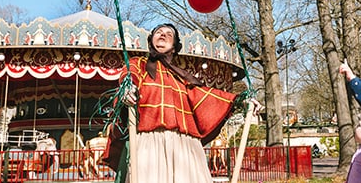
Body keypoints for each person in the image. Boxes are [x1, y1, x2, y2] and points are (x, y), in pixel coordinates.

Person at [104, 23, 258, 183]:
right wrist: (127, 90)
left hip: (185, 147)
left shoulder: (183, 78)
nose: (163, 35)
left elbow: (207, 97)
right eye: (159, 32)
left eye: (168, 34)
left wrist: (241, 100)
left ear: (174, 47)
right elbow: (129, 78)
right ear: (151, 41)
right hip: (149, 143)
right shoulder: (138, 64)